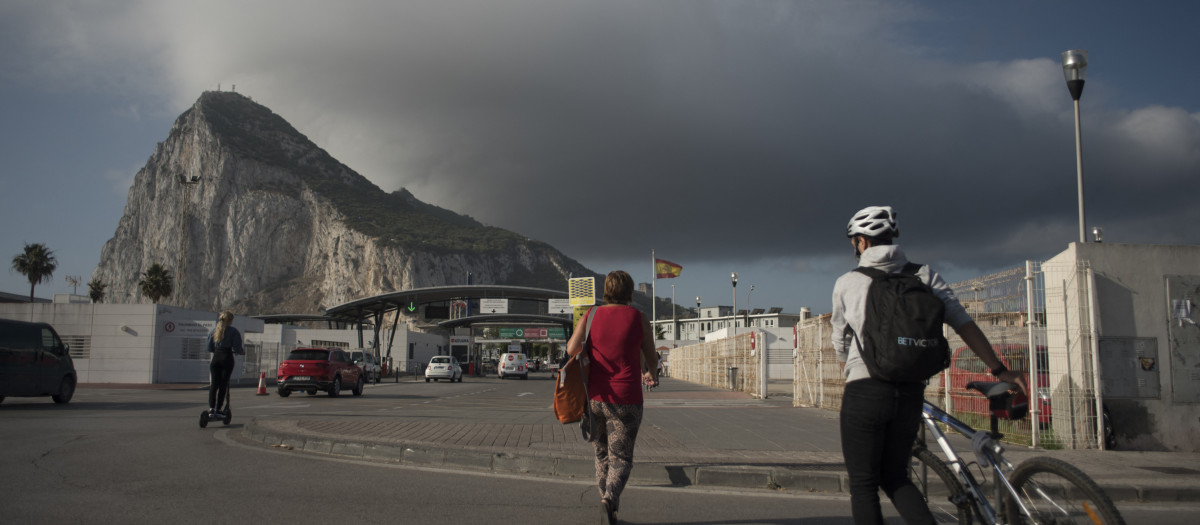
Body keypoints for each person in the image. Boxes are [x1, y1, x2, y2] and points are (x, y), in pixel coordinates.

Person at [832, 205, 1027, 525]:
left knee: (864, 485)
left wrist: (850, 370)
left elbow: (839, 341)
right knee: (896, 477)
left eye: (854, 241)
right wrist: (998, 369)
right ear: (892, 237)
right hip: (910, 392)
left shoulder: (847, 282)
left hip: (865, 391)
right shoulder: (925, 275)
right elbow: (964, 324)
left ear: (861, 243)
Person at [566, 270, 658, 525]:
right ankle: (609, 500)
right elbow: (651, 355)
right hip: (626, 398)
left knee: (601, 455)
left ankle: (611, 511)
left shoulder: (592, 315)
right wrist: (652, 373)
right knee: (622, 457)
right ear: (629, 292)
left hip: (594, 398)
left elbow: (571, 349)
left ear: (606, 290)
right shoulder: (639, 318)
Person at [205, 310, 244, 416]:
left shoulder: (214, 331)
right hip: (227, 357)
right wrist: (240, 351)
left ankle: (211, 409)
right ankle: (218, 409)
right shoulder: (233, 331)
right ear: (230, 320)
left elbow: (209, 347)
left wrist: (216, 350)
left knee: (214, 384)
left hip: (216, 358)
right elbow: (237, 347)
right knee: (223, 384)